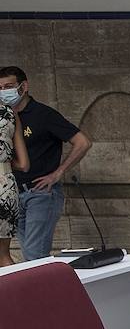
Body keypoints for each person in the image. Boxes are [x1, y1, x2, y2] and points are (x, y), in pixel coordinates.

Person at [0, 67, 93, 261]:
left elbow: (82, 142)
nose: (3, 92)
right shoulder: (6, 118)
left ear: (23, 87)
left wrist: (58, 173)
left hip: (40, 193)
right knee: (28, 255)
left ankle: (46, 291)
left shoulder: (43, 114)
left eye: (8, 86)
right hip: (14, 194)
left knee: (35, 255)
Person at [0, 100, 30, 266]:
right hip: (6, 187)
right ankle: (14, 293)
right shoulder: (10, 113)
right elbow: (24, 164)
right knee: (4, 255)